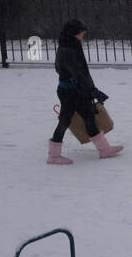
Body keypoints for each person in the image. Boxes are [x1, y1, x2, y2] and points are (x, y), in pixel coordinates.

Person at [48, 18, 124, 163]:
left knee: (89, 116)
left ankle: (104, 150)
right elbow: (78, 73)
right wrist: (92, 90)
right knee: (65, 120)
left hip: (76, 90)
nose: (83, 35)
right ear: (74, 33)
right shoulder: (68, 49)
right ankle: (53, 155)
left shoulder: (71, 45)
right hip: (70, 92)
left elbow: (79, 73)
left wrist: (90, 89)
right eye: (81, 32)